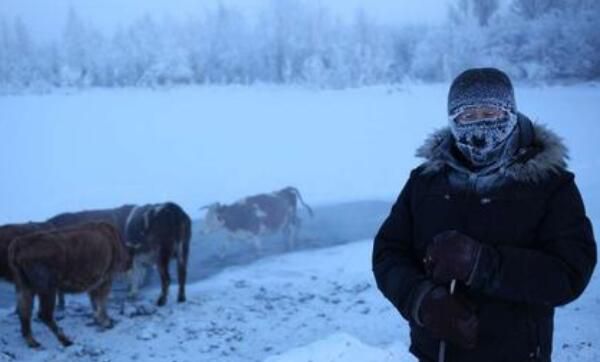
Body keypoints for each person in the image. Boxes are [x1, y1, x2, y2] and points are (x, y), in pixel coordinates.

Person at [372, 67, 596, 362]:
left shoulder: (550, 186)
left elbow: (570, 273)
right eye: (467, 116)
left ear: (511, 113)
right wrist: (422, 300)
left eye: (490, 113)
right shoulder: (425, 182)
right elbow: (388, 253)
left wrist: (483, 264)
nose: (479, 129)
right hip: (434, 354)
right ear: (453, 121)